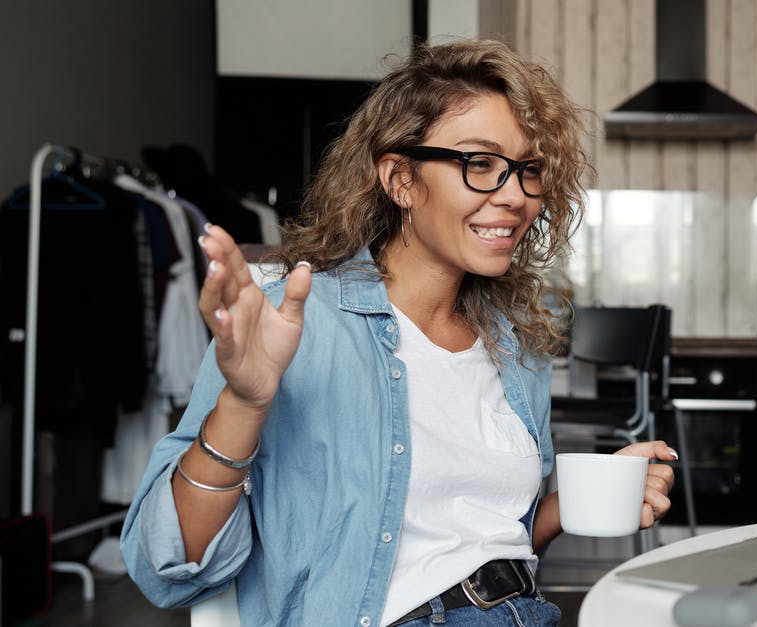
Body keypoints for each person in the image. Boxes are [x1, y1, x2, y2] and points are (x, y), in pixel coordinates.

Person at [120, 40, 676, 627]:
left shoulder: (514, 344)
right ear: (400, 179)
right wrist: (244, 401)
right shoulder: (293, 321)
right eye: (480, 163)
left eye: (528, 169)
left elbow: (479, 544)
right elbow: (164, 567)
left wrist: (570, 507)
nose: (514, 194)